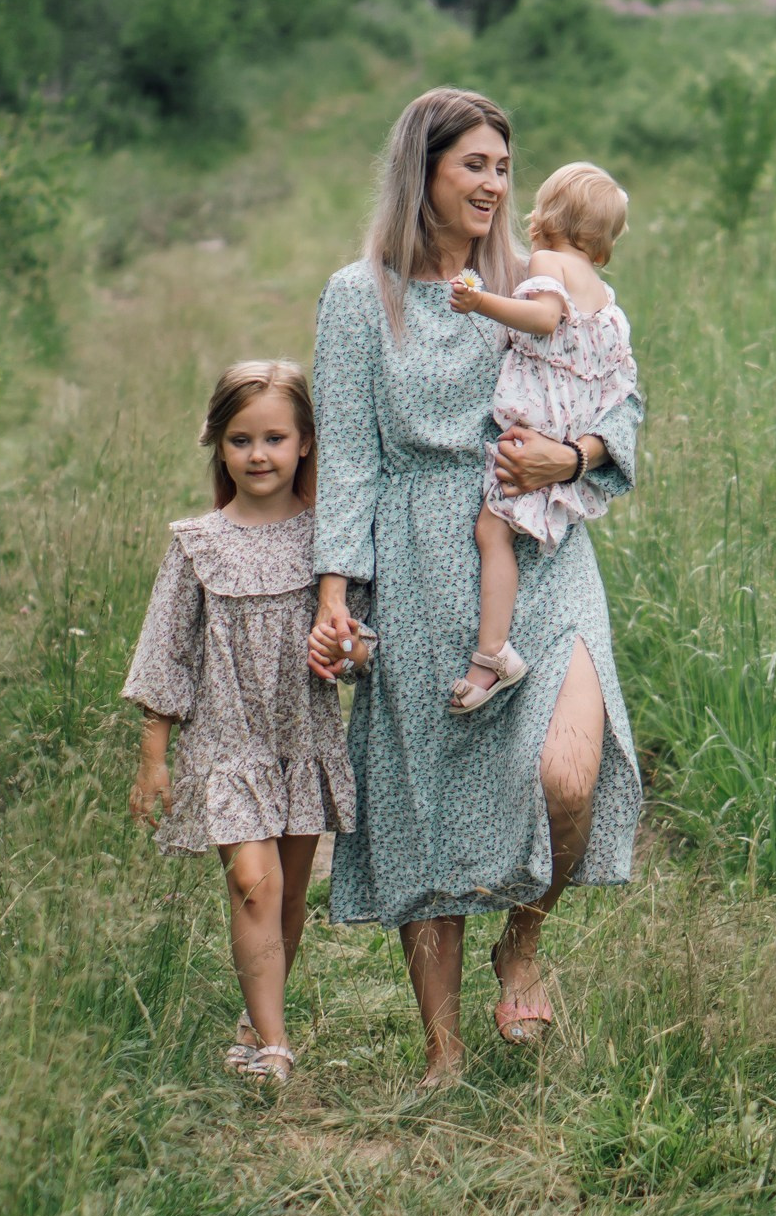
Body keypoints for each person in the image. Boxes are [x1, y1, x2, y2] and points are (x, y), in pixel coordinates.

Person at [305, 88, 645, 1085]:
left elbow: (619, 399)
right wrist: (337, 594)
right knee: (427, 808)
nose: (496, 184)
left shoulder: (541, 275)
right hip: (416, 558)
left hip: (539, 544)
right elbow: (352, 459)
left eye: (505, 166)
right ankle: (442, 1053)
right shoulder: (356, 297)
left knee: (568, 775)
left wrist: (574, 454)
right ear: (426, 172)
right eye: (475, 166)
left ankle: (525, 940)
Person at [124, 361, 355, 1085]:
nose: (259, 454)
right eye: (240, 439)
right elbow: (168, 653)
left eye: (275, 438)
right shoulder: (198, 542)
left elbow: (362, 637)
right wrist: (153, 757)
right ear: (218, 447)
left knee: (285, 894)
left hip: (298, 738)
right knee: (252, 884)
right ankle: (277, 1046)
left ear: (306, 443)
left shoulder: (331, 543)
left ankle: (258, 1018)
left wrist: (346, 645)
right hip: (225, 743)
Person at [442, 161, 639, 713]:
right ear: (603, 243)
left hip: (537, 428)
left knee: (491, 530)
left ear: (544, 216)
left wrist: (480, 302)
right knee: (508, 530)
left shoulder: (548, 262)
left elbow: (544, 318)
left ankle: (493, 653)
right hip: (571, 429)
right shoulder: (604, 296)